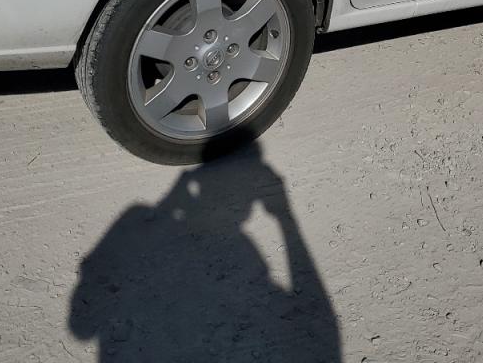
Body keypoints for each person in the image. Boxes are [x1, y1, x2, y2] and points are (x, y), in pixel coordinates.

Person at [69, 143, 340, 362]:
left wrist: (169, 203)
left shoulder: (141, 219)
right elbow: (320, 328)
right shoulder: (244, 248)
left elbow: (80, 327)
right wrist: (284, 217)